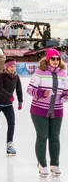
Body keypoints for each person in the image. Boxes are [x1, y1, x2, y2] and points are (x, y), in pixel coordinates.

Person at [27, 48, 67, 176]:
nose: (55, 61)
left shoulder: (63, 74)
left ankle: (54, 164)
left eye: (57, 59)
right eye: (53, 59)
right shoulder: (40, 72)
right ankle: (42, 164)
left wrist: (65, 96)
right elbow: (30, 89)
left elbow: (66, 90)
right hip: (39, 110)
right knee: (42, 136)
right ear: (48, 59)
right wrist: (41, 93)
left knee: (55, 137)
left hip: (57, 110)